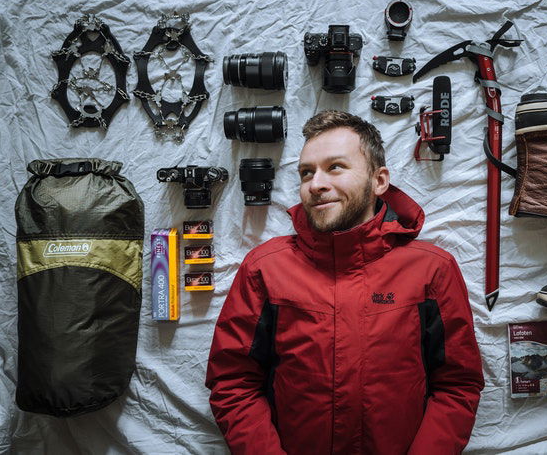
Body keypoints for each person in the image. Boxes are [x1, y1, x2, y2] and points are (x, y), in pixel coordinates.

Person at [206, 111, 484, 454]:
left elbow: (457, 385)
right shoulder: (265, 268)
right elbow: (233, 382)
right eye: (307, 172)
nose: (316, 183)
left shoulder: (432, 270)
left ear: (379, 180)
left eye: (335, 166)